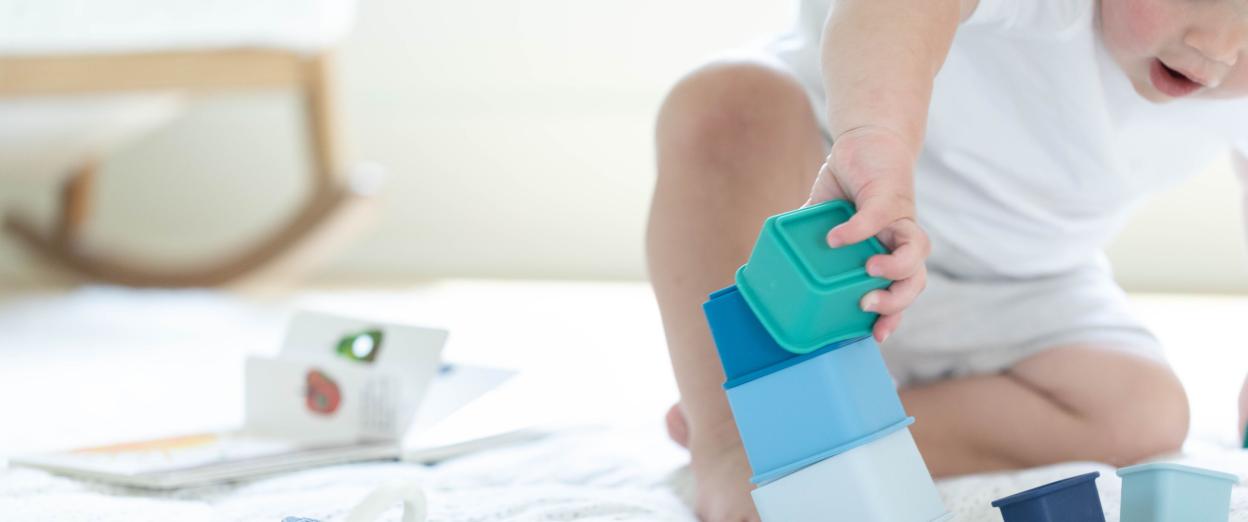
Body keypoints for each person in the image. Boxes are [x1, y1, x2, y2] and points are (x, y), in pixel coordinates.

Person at [646, 0, 1248, 519]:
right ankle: (732, 440)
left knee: (1145, 412)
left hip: (1025, 283)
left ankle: (829, 434)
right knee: (732, 102)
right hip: (831, 208)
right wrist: (874, 136)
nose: (1218, 47)